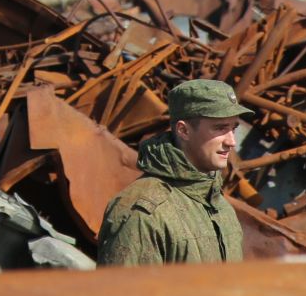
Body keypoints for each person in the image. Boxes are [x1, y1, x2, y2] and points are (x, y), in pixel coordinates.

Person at [97, 79, 246, 266]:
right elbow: (125, 294)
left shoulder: (220, 207)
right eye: (220, 128)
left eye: (233, 128)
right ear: (184, 131)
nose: (232, 141)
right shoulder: (143, 213)